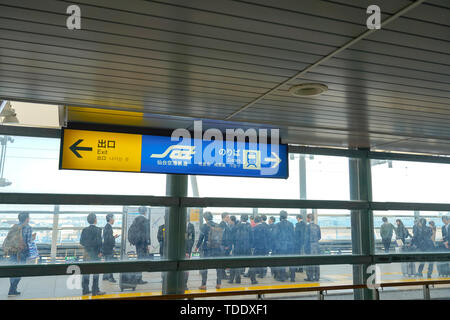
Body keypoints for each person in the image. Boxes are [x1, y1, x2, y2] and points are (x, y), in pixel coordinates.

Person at [4, 212, 34, 297]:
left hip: (13, 251)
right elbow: (28, 242)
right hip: (22, 252)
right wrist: (32, 238)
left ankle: (13, 289)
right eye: (29, 217)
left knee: (13, 270)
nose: (29, 219)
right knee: (20, 271)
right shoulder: (28, 227)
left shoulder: (14, 226)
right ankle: (12, 290)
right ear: (26, 219)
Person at [195, 211, 224, 290]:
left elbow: (201, 238)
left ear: (205, 218)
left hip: (207, 249)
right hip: (217, 248)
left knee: (205, 267)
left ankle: (203, 285)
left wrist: (197, 247)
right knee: (218, 267)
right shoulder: (217, 225)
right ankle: (218, 284)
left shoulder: (204, 226)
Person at [80, 213, 105, 296]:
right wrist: (100, 252)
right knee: (95, 272)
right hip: (95, 254)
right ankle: (95, 290)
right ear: (95, 220)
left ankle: (85, 290)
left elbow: (81, 242)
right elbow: (99, 242)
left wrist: (88, 247)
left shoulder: (84, 230)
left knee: (86, 272)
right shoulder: (98, 230)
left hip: (86, 253)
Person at [228, 214, 257, 284]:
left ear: (241, 218)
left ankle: (234, 279)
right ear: (247, 219)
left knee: (235, 263)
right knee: (251, 264)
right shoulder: (249, 226)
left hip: (237, 248)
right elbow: (252, 238)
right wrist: (251, 246)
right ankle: (253, 280)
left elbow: (232, 237)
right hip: (247, 248)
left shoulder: (237, 226)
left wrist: (233, 245)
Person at [129, 206, 151, 285]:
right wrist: (148, 244)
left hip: (137, 243)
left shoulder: (136, 220)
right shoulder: (145, 220)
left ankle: (137, 277)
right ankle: (138, 278)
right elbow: (147, 234)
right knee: (141, 260)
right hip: (143, 243)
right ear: (145, 212)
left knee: (139, 259)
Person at [272, 210, 296, 282]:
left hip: (281, 247)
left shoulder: (277, 225)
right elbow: (293, 235)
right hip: (290, 246)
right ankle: (292, 277)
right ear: (286, 216)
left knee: (281, 262)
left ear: (280, 216)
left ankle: (282, 277)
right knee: (291, 262)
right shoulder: (291, 224)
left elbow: (274, 235)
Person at [102, 214, 119, 282]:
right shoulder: (108, 227)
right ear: (110, 219)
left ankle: (105, 276)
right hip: (109, 249)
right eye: (113, 218)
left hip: (106, 248)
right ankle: (110, 277)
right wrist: (114, 237)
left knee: (107, 262)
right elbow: (108, 239)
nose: (114, 220)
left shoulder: (106, 227)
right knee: (110, 263)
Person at [305, 213, 321, 282]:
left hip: (310, 246)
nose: (306, 219)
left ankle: (310, 277)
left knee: (309, 262)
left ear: (309, 218)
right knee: (317, 262)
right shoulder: (317, 226)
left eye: (307, 218)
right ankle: (317, 277)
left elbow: (306, 238)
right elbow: (319, 237)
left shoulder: (307, 227)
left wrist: (305, 247)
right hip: (316, 246)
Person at [183, 219, 195, 291]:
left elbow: (193, 237)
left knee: (186, 268)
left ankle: (185, 284)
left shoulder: (191, 225)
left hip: (188, 249)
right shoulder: (179, 225)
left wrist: (190, 246)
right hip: (179, 249)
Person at [219, 212, 231, 280]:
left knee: (224, 260)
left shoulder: (225, 224)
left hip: (224, 245)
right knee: (223, 260)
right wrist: (226, 245)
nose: (228, 218)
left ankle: (223, 274)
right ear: (224, 217)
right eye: (227, 217)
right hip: (223, 245)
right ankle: (223, 275)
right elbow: (223, 236)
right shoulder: (222, 224)